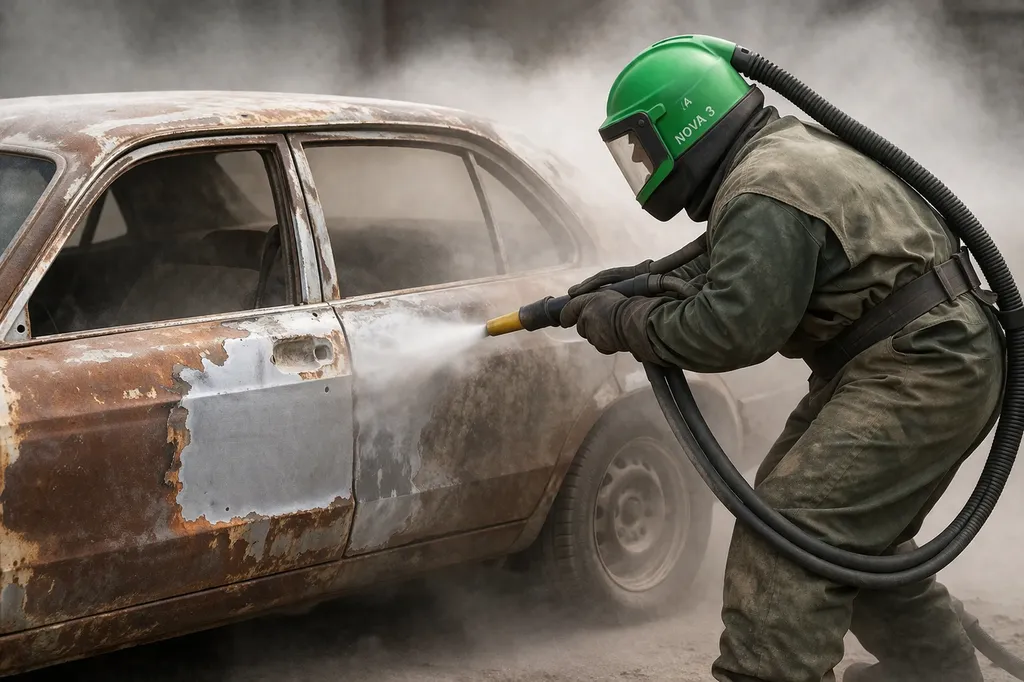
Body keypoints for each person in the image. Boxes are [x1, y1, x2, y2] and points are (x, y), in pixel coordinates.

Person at [561, 35, 1005, 682]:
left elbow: (730, 330)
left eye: (643, 145)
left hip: (922, 363)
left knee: (791, 535)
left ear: (684, 122)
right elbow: (737, 266)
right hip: (920, 355)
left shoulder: (764, 185)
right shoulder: (779, 158)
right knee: (842, 536)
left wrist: (624, 319)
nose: (642, 162)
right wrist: (635, 285)